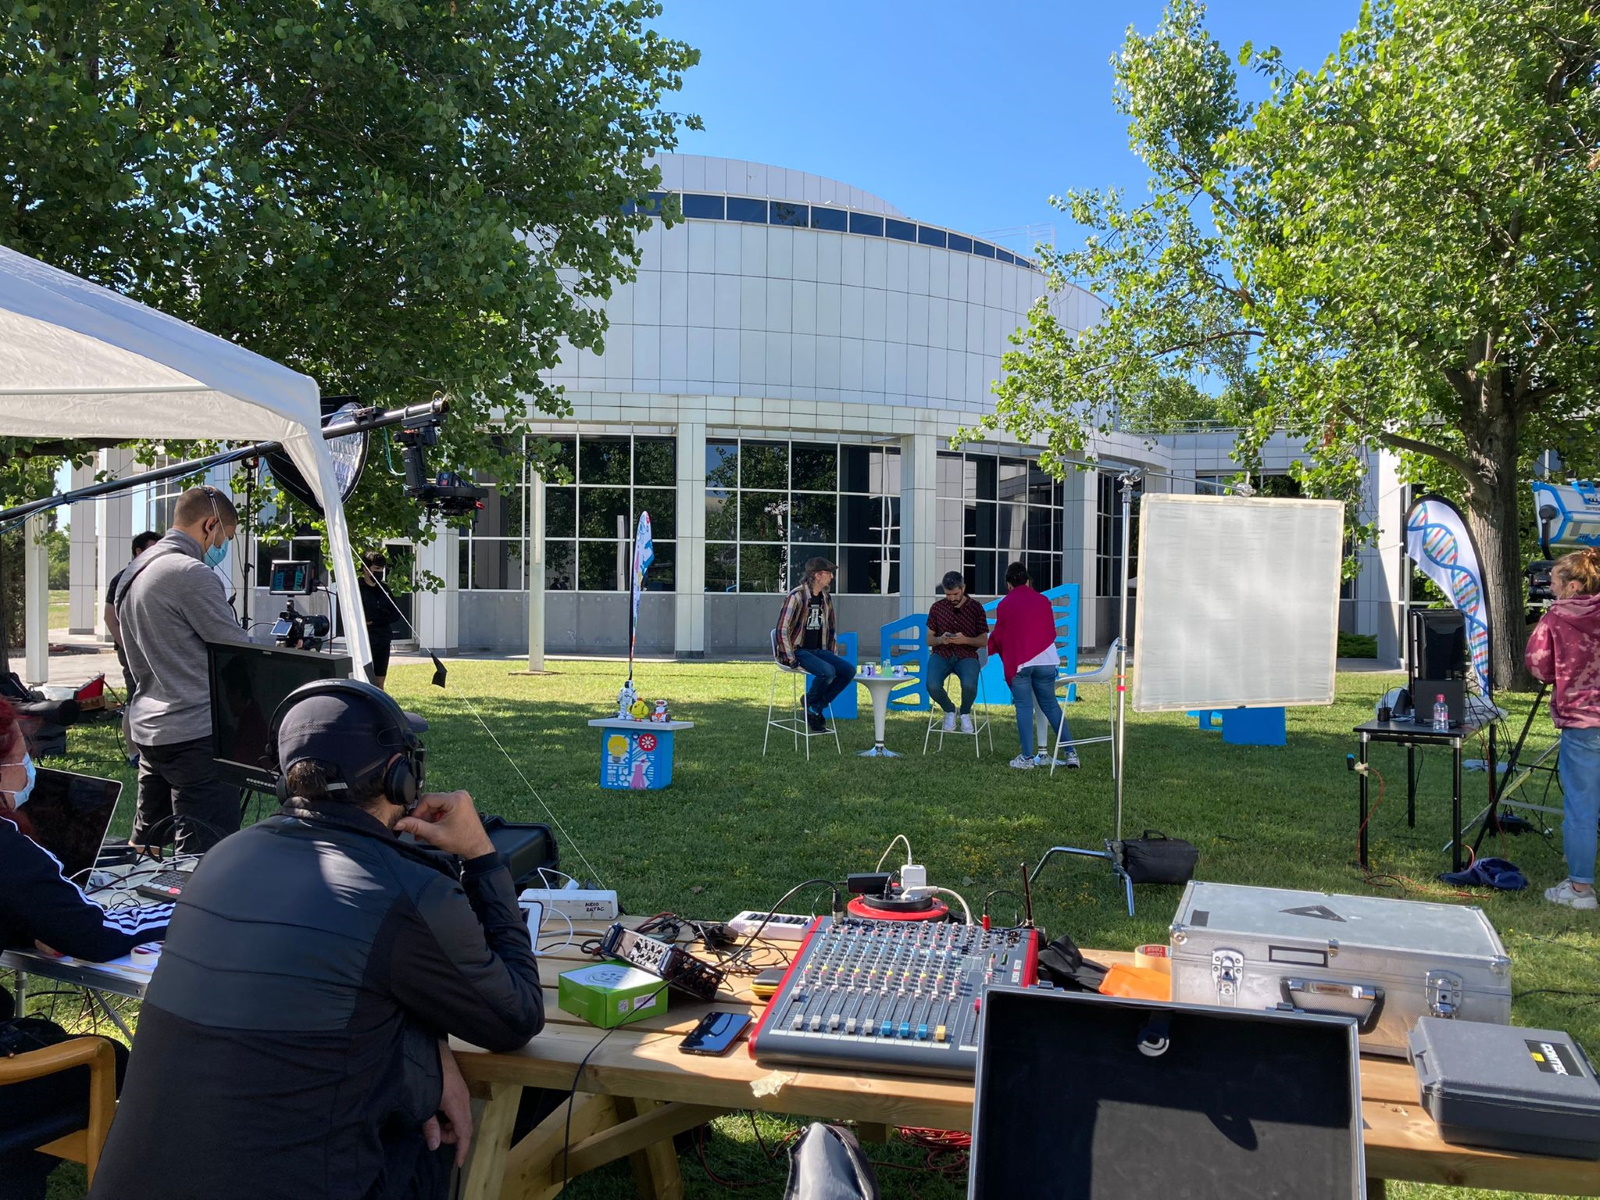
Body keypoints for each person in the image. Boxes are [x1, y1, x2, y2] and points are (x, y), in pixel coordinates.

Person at [91, 679, 545, 1200]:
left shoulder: (223, 857)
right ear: (402, 776)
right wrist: (483, 857)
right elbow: (515, 1018)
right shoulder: (407, 890)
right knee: (425, 1138)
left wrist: (429, 1048)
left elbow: (319, 997)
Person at [0, 699, 172, 1199]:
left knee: (46, 1033)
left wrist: (25, 919)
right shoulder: (8, 848)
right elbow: (102, 938)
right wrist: (195, 905)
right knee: (114, 1058)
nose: (30, 761)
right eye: (22, 750)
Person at [113, 486, 250, 854]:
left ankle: (135, 912)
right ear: (210, 525)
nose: (222, 548)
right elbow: (233, 651)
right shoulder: (191, 572)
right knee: (203, 858)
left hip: (151, 729)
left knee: (146, 844)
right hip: (196, 733)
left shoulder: (133, 571)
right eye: (226, 537)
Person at [1524, 547, 1600, 910]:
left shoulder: (1557, 618)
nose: (1548, 586)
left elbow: (1539, 667)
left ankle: (1581, 890)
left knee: (1582, 807)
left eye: (1553, 580)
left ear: (1572, 585)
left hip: (1584, 722)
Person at [986, 561, 1078, 771]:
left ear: (1008, 584)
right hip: (1047, 660)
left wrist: (993, 645)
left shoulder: (1005, 604)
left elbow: (1001, 634)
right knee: (1051, 706)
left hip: (1021, 662)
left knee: (1024, 706)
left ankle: (1027, 758)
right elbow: (1047, 630)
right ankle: (1071, 753)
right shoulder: (1043, 600)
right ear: (1027, 581)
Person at [775, 556, 855, 731]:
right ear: (817, 575)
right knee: (827, 672)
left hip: (818, 649)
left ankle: (814, 706)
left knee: (848, 671)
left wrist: (831, 654)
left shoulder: (825, 597)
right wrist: (790, 658)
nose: (831, 577)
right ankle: (812, 705)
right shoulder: (796, 596)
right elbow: (782, 629)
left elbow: (831, 628)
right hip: (798, 649)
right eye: (829, 574)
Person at [926, 570, 989, 733]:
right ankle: (950, 710)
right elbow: (928, 639)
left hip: (967, 655)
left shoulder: (976, 608)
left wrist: (965, 639)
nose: (952, 598)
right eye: (948, 595)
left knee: (969, 685)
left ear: (963, 588)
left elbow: (984, 640)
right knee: (932, 685)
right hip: (941, 653)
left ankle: (965, 713)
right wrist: (941, 639)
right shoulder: (937, 608)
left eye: (955, 594)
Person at [359, 549, 404, 690]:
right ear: (366, 569)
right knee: (364, 679)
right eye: (376, 569)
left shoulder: (384, 589)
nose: (379, 572)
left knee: (379, 682)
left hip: (382, 639)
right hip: (365, 640)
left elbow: (395, 614)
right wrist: (379, 616)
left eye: (382, 569)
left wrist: (374, 620)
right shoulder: (357, 588)